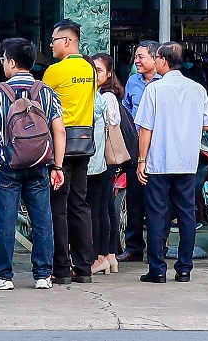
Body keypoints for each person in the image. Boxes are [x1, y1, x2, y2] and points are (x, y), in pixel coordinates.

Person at [0, 37, 65, 291]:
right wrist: (57, 166)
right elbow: (58, 131)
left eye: (4, 59)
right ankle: (42, 275)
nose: (2, 63)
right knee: (42, 219)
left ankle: (3, 275)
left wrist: (8, 141)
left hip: (6, 166)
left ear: (12, 63)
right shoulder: (46, 91)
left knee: (4, 218)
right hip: (40, 165)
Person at [135, 42, 208, 284]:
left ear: (163, 61)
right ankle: (184, 269)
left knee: (157, 216)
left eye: (157, 57)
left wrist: (141, 160)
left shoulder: (155, 90)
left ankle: (157, 270)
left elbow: (145, 129)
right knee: (187, 215)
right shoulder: (197, 89)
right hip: (187, 162)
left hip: (159, 162)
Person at [43, 19, 97, 284]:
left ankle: (61, 268)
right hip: (84, 144)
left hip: (60, 146)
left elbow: (41, 107)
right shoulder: (90, 69)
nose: (51, 45)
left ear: (66, 41)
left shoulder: (55, 71)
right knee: (80, 204)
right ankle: (85, 267)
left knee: (58, 207)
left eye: (53, 40)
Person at [118, 41, 159, 263]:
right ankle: (133, 247)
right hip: (135, 145)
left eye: (141, 57)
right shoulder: (133, 81)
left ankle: (158, 246)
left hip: (159, 146)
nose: (136, 61)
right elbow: (126, 107)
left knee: (158, 198)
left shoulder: (164, 83)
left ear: (155, 58)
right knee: (134, 198)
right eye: (136, 56)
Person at [87, 53, 124, 276]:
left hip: (103, 158)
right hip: (102, 158)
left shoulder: (105, 97)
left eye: (99, 71)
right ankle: (109, 255)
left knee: (100, 208)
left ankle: (102, 256)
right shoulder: (102, 94)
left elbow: (113, 124)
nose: (95, 75)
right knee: (105, 207)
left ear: (109, 74)